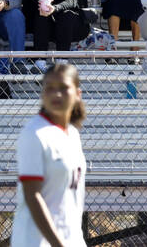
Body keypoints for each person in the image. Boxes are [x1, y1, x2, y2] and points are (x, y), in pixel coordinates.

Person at [13, 62, 87, 247]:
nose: (56, 94)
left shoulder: (73, 135)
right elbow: (33, 196)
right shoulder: (34, 134)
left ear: (78, 94)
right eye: (50, 88)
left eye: (63, 88)